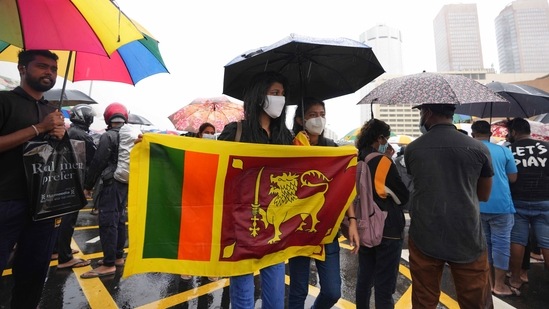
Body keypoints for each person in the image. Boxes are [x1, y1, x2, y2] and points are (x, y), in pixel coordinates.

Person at [405, 104, 494, 309]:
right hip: (467, 233)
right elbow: (484, 195)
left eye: (421, 113)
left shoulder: (413, 148)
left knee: (424, 299)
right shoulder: (479, 148)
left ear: (427, 114)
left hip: (425, 233)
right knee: (475, 299)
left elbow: (416, 182)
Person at [217, 71, 293, 309]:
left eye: (282, 94)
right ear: (259, 96)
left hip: (274, 227)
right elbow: (210, 167)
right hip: (241, 225)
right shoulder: (235, 131)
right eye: (274, 93)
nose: (280, 99)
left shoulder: (286, 137)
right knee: (243, 301)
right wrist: (154, 150)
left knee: (275, 301)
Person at [0, 49, 66, 308]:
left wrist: (59, 136)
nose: (49, 72)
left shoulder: (52, 111)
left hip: (43, 204)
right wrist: (39, 128)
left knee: (34, 273)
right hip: (5, 200)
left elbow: (56, 157)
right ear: (22, 69)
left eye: (53, 69)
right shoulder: (5, 102)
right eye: (42, 66)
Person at [288, 97, 359, 309]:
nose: (318, 119)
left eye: (322, 114)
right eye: (312, 115)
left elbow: (344, 188)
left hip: (327, 229)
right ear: (300, 120)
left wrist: (352, 221)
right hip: (298, 230)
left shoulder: (333, 149)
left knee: (332, 291)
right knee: (298, 290)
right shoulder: (289, 146)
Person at [353, 118, 409, 309]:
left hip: (363, 225)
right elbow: (402, 196)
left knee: (364, 278)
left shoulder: (356, 158)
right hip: (387, 227)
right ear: (379, 138)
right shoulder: (383, 161)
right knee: (384, 284)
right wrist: (388, 160)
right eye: (386, 139)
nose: (387, 143)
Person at [80, 103, 130, 279]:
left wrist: (88, 185)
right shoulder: (129, 136)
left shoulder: (108, 136)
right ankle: (117, 256)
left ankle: (108, 264)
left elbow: (98, 162)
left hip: (111, 183)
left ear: (109, 118)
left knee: (108, 221)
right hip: (125, 183)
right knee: (120, 219)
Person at [471, 120, 518, 296]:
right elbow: (513, 178)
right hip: (501, 205)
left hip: (478, 203)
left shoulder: (470, 150)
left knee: (485, 245)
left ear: (474, 134)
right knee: (502, 244)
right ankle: (499, 285)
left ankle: (489, 282)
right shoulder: (504, 150)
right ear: (490, 134)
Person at [505, 117, 549, 294]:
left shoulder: (509, 150)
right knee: (546, 242)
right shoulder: (546, 147)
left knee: (517, 241)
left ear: (514, 132)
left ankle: (516, 278)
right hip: (545, 200)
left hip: (518, 200)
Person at [53, 104, 97, 269]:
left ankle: (57, 249)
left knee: (60, 219)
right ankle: (65, 258)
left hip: (64, 181)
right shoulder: (82, 135)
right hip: (74, 182)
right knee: (68, 220)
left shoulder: (70, 131)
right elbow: (94, 159)